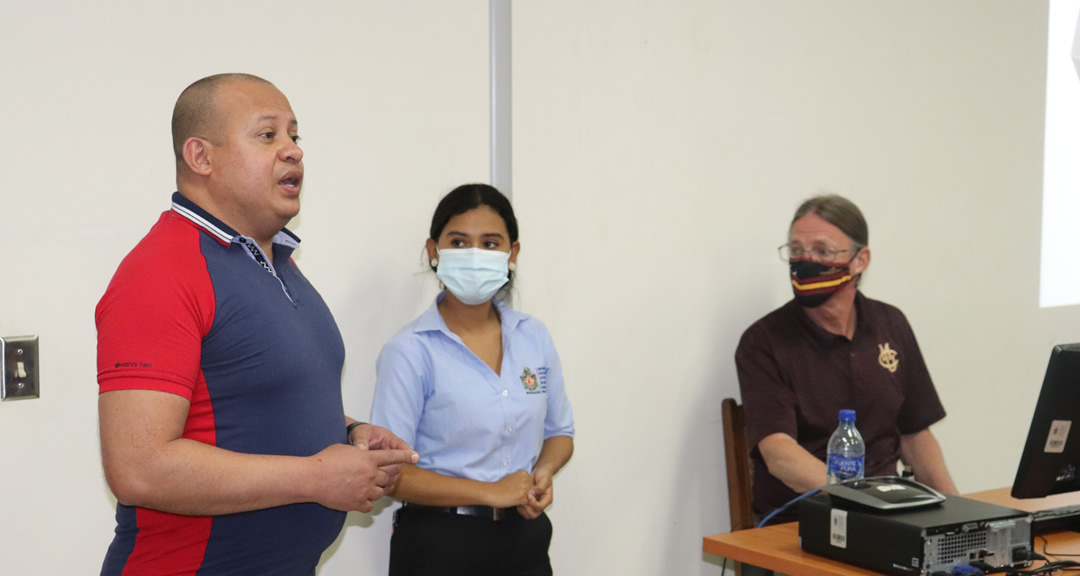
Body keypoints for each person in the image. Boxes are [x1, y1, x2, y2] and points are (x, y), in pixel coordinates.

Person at [95, 73, 418, 576]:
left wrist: (352, 432)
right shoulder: (161, 272)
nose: (293, 151)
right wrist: (315, 478)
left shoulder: (278, 263)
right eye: (268, 135)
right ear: (200, 157)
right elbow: (139, 467)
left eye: (295, 135)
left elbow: (252, 402)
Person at [371, 183, 575, 576]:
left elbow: (560, 431)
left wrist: (544, 472)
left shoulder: (534, 336)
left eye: (491, 243)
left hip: (526, 538)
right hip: (438, 544)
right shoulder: (411, 350)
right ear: (434, 251)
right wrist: (488, 492)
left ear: (512, 254)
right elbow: (389, 472)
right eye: (460, 242)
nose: (476, 256)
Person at [735, 194, 958, 523]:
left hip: (890, 515)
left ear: (860, 260)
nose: (805, 261)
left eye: (822, 251)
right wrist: (860, 498)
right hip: (801, 522)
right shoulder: (764, 341)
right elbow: (778, 453)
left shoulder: (890, 323)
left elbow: (915, 435)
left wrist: (960, 516)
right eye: (796, 250)